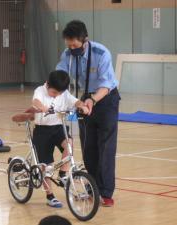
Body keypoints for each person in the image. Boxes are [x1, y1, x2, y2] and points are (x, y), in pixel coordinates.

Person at [56, 20, 120, 207]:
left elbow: (106, 85)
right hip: (85, 99)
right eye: (69, 45)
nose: (72, 49)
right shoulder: (67, 55)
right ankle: (93, 190)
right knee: (88, 147)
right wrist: (48, 92)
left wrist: (93, 99)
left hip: (106, 99)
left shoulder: (101, 53)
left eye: (75, 45)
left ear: (85, 40)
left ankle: (106, 193)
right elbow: (59, 76)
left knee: (106, 147)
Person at [32, 70, 89, 208]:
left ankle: (63, 173)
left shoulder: (63, 93)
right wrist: (42, 107)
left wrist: (82, 106)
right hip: (42, 131)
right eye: (54, 93)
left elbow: (75, 101)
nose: (57, 95)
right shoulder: (40, 90)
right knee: (46, 166)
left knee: (69, 143)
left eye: (59, 93)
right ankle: (50, 196)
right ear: (47, 84)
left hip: (58, 128)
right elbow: (35, 101)